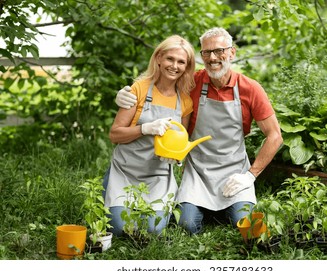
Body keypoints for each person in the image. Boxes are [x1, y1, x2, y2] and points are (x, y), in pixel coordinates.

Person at [115, 27, 283, 234]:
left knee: (246, 225)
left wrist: (250, 175)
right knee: (186, 225)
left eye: (219, 51)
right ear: (201, 55)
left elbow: (275, 136)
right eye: (206, 52)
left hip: (234, 172)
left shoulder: (250, 89)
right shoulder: (192, 82)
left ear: (232, 52)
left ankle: (227, 208)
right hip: (198, 172)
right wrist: (126, 95)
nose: (213, 58)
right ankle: (209, 208)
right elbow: (160, 85)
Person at [104, 35, 195, 236]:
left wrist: (177, 157)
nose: (175, 66)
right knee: (122, 229)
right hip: (126, 172)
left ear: (187, 67)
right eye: (170, 59)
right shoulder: (139, 89)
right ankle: (108, 186)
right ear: (159, 58)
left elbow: (180, 144)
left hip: (159, 175)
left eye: (181, 62)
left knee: (153, 230)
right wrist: (145, 129)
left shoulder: (185, 102)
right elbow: (114, 134)